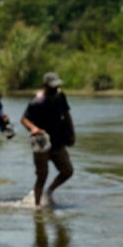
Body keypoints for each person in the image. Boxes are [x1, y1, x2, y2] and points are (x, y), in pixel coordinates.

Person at [20, 72, 76, 206]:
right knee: (42, 176)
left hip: (58, 141)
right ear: (45, 85)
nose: (55, 90)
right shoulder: (36, 102)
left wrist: (72, 134)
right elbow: (24, 119)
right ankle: (37, 207)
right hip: (41, 141)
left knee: (68, 171)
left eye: (56, 87)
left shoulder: (60, 97)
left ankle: (49, 191)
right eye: (52, 87)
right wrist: (33, 129)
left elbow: (67, 115)